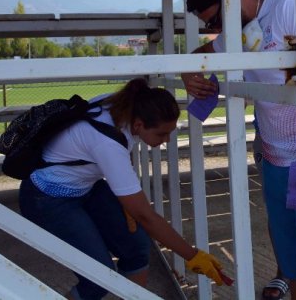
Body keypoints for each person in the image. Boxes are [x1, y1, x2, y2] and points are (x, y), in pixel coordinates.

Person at [181, 0, 296, 300]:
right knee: (293, 264)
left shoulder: (286, 9)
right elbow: (196, 57)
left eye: (214, 19)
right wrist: (190, 74)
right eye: (209, 25)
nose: (214, 30)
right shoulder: (237, 31)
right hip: (276, 161)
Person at [18, 78, 227, 300]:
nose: (166, 140)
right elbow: (146, 216)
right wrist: (193, 256)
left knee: (137, 249)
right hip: (46, 198)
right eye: (161, 134)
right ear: (138, 125)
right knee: (98, 278)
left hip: (85, 186)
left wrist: (127, 200)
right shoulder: (108, 143)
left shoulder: (122, 106)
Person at [258, 0, 294, 300]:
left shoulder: (292, 15)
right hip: (270, 140)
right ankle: (286, 273)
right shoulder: (254, 28)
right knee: (281, 214)